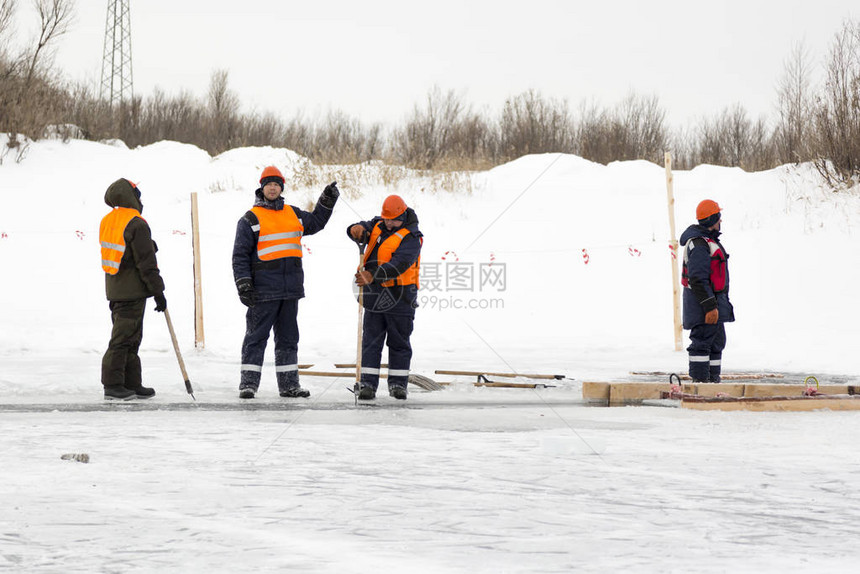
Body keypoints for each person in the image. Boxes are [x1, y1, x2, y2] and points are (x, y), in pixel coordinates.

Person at [232, 166, 339, 399]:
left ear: (281, 187)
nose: (272, 187)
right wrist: (243, 284)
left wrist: (326, 201)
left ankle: (289, 385)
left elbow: (317, 222)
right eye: (268, 184)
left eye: (276, 184)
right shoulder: (250, 219)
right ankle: (248, 384)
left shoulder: (294, 214)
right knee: (255, 338)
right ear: (262, 187)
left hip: (290, 291)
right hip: (262, 292)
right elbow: (239, 256)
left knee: (289, 340)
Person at [348, 195, 423, 400]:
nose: (388, 223)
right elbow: (362, 229)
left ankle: (398, 385)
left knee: (399, 341)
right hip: (375, 294)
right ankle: (367, 384)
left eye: (393, 220)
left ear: (403, 215)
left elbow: (399, 264)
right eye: (386, 219)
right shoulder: (379, 224)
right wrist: (355, 229)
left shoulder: (412, 238)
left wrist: (372, 275)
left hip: (401, 295)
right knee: (371, 341)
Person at [99, 178, 167, 400]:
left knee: (130, 336)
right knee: (123, 338)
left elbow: (123, 254)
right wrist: (158, 292)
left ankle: (131, 382)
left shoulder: (109, 220)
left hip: (115, 288)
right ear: (132, 196)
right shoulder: (136, 223)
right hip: (132, 290)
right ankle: (113, 384)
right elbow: (146, 262)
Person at [679, 199, 735, 383]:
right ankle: (701, 383)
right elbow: (697, 278)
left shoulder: (707, 242)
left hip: (714, 304)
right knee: (702, 343)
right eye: (719, 217)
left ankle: (712, 381)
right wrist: (710, 306)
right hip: (704, 306)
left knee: (716, 343)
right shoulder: (700, 245)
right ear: (713, 219)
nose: (721, 221)